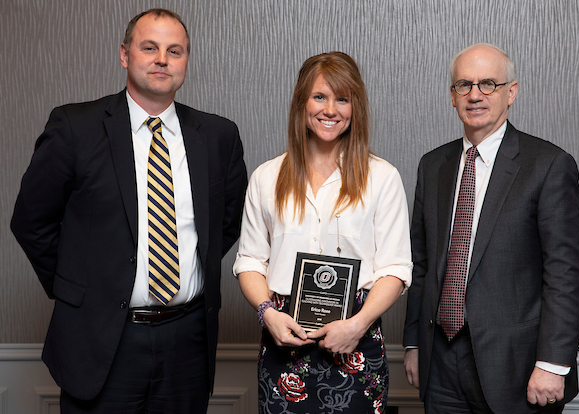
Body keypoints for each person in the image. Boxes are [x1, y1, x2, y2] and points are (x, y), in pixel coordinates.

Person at [11, 8, 247, 413]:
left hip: (187, 342)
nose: (162, 59)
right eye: (149, 47)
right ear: (124, 54)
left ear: (186, 61)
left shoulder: (218, 135)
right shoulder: (75, 127)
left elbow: (225, 226)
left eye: (175, 51)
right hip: (103, 340)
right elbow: (32, 222)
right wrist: (81, 289)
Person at [403, 43, 579, 413]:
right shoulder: (433, 165)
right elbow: (420, 265)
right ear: (452, 97)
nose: (475, 95)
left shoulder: (548, 165)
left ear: (511, 93)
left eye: (488, 84)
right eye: (463, 85)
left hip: (517, 368)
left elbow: (565, 275)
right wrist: (413, 345)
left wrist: (552, 364)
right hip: (439, 363)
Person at [233, 51, 413, 413]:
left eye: (342, 99)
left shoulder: (382, 177)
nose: (330, 109)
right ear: (302, 102)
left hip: (356, 337)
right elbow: (250, 260)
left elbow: (395, 268)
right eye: (320, 97)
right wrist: (268, 313)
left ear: (355, 107)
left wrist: (358, 325)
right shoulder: (267, 177)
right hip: (283, 336)